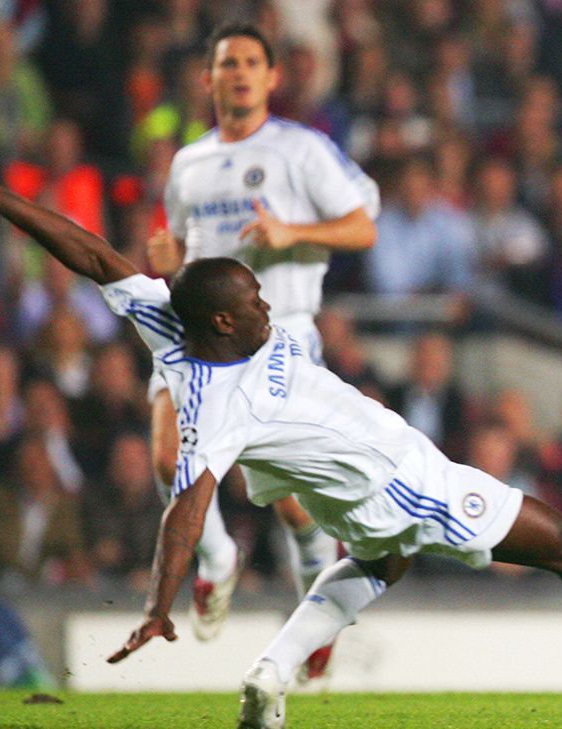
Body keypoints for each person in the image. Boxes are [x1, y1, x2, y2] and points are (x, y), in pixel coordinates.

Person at [0, 161, 562, 729]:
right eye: (256, 300)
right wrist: (161, 599)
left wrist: (0, 199)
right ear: (226, 319)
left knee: (377, 563)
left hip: (354, 496)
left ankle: (271, 669)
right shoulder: (221, 400)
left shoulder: (166, 317)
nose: (269, 305)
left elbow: (94, 255)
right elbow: (187, 505)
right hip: (406, 482)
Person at [143, 23, 380, 676]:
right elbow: (184, 254)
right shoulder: (189, 162)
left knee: (287, 495)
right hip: (197, 332)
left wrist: (290, 232)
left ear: (272, 77)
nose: (239, 72)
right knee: (170, 455)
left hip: (277, 333)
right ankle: (217, 558)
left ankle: (315, 571)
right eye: (227, 63)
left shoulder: (301, 151)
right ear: (209, 79)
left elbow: (363, 225)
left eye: (251, 62)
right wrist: (170, 259)